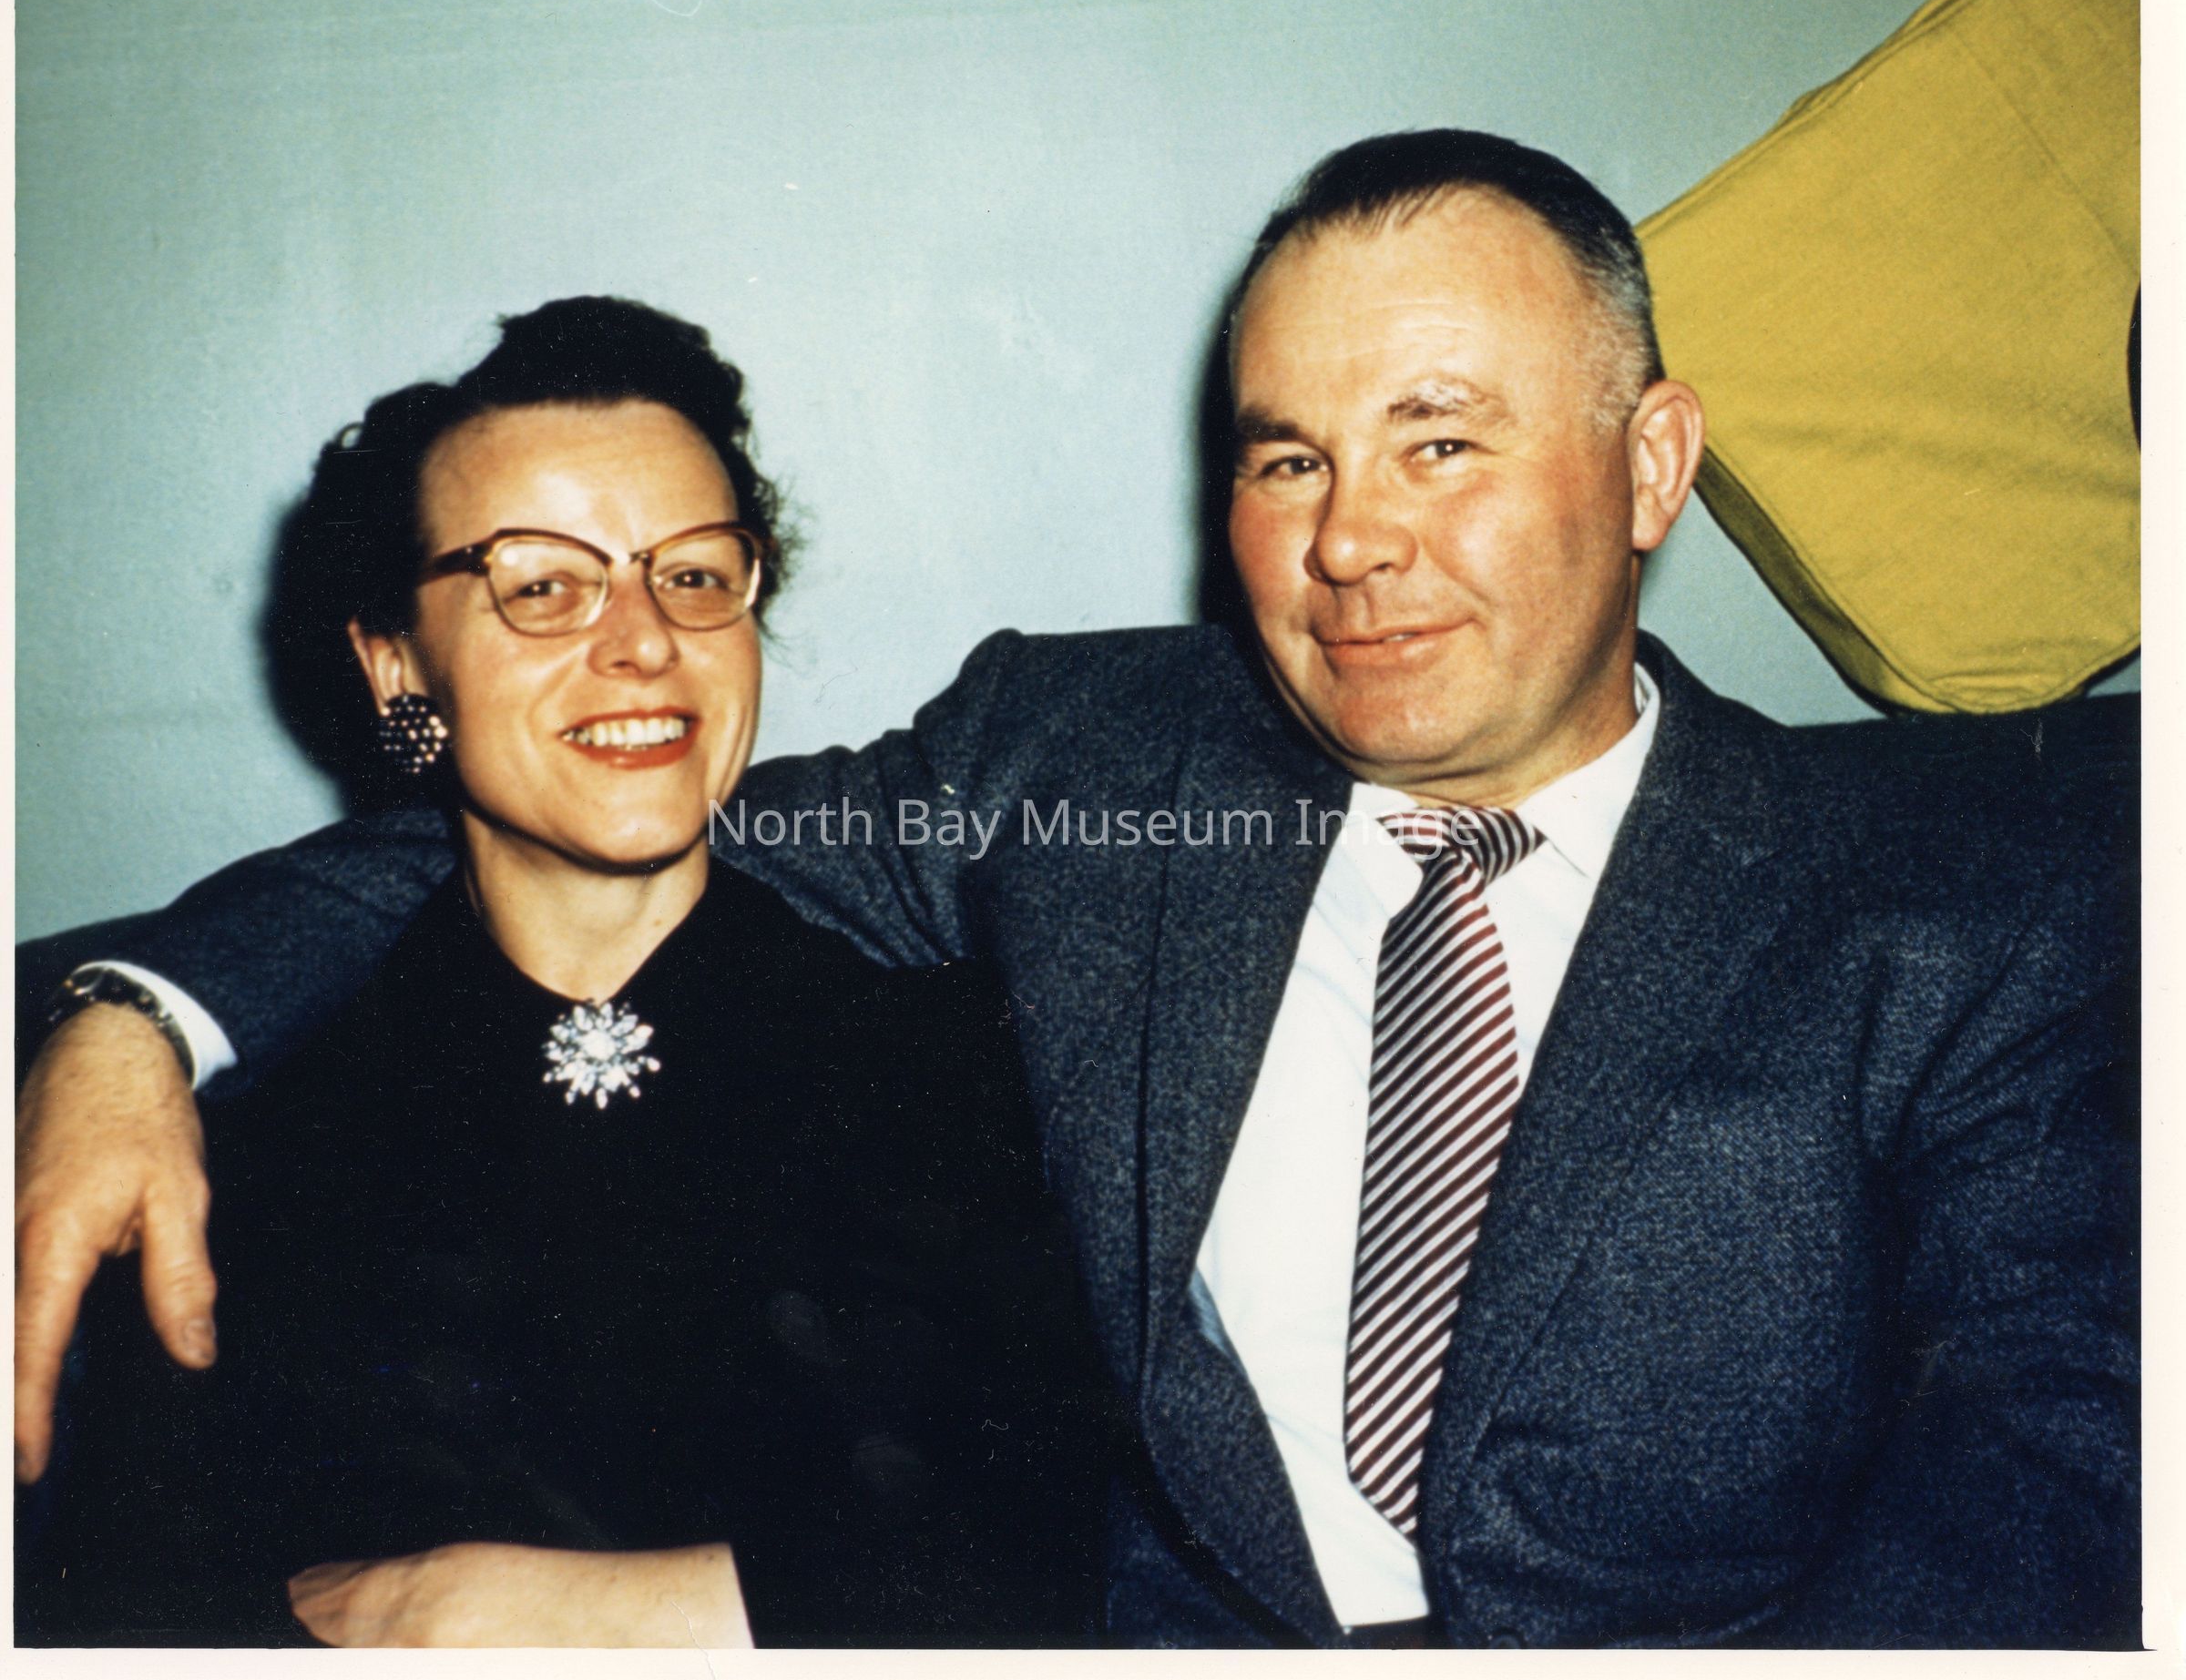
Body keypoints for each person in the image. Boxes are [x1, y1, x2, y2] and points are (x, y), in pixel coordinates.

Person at [15, 130, 2137, 1647]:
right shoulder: (1098, 773)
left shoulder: (1961, 900)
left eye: (1441, 439)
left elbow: (2062, 1478)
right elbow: (599, 785)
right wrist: (137, 1016)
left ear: (1653, 460)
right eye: (1289, 455)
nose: (1352, 541)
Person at [15, 296, 1106, 1646]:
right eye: (539, 585)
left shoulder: (961, 1068)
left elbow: (1053, 1568)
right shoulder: (234, 1138)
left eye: (692, 574)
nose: (643, 639)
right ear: (395, 663)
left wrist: (478, 1611)